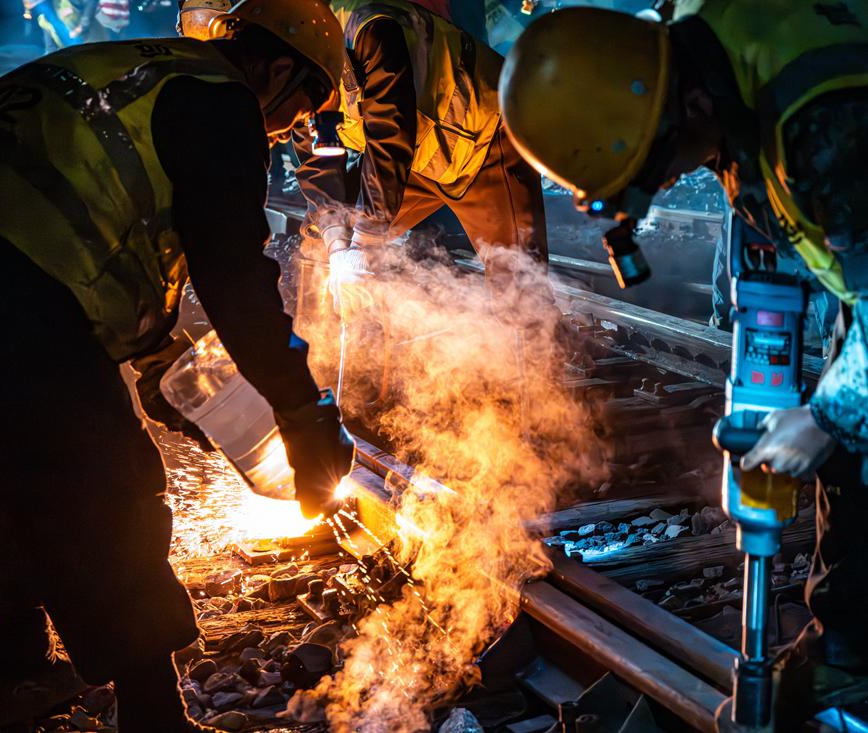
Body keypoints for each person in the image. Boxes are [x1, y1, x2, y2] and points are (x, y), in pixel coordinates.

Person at [0, 0, 356, 728]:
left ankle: (20, 671)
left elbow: (90, 233)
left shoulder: (138, 73)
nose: (288, 129)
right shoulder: (223, 102)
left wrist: (167, 371)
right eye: (303, 105)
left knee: (1, 477)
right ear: (278, 67)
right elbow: (238, 279)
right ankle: (154, 715)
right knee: (108, 492)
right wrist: (304, 412)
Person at [499, 0, 868, 725]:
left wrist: (826, 413)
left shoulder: (820, 115)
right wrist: (769, 405)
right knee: (847, 451)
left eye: (661, 167)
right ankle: (850, 657)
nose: (670, 181)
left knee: (845, 421)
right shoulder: (726, 71)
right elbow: (778, 258)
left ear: (688, 105)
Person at [294, 0, 548, 315]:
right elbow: (317, 163)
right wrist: (337, 247)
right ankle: (351, 345)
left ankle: (547, 358)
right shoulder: (294, 69)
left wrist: (365, 241)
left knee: (518, 286)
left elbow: (391, 132)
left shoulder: (370, 30)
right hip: (418, 157)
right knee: (328, 237)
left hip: (486, 138)